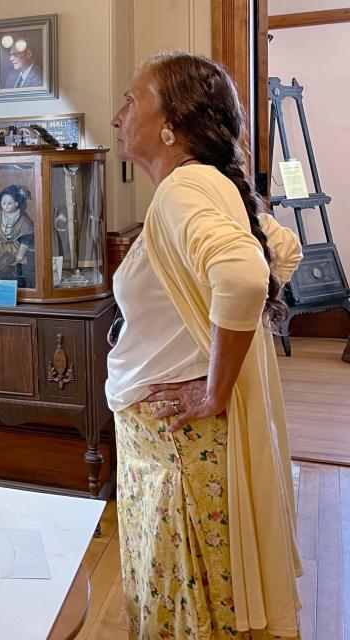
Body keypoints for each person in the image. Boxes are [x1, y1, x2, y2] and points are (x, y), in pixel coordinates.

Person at [107, 51, 303, 639]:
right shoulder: (205, 184)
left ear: (173, 123)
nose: (119, 116)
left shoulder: (182, 188)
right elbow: (281, 251)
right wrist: (187, 330)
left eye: (131, 101)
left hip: (177, 446)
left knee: (185, 609)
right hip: (169, 445)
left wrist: (214, 386)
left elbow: (245, 275)